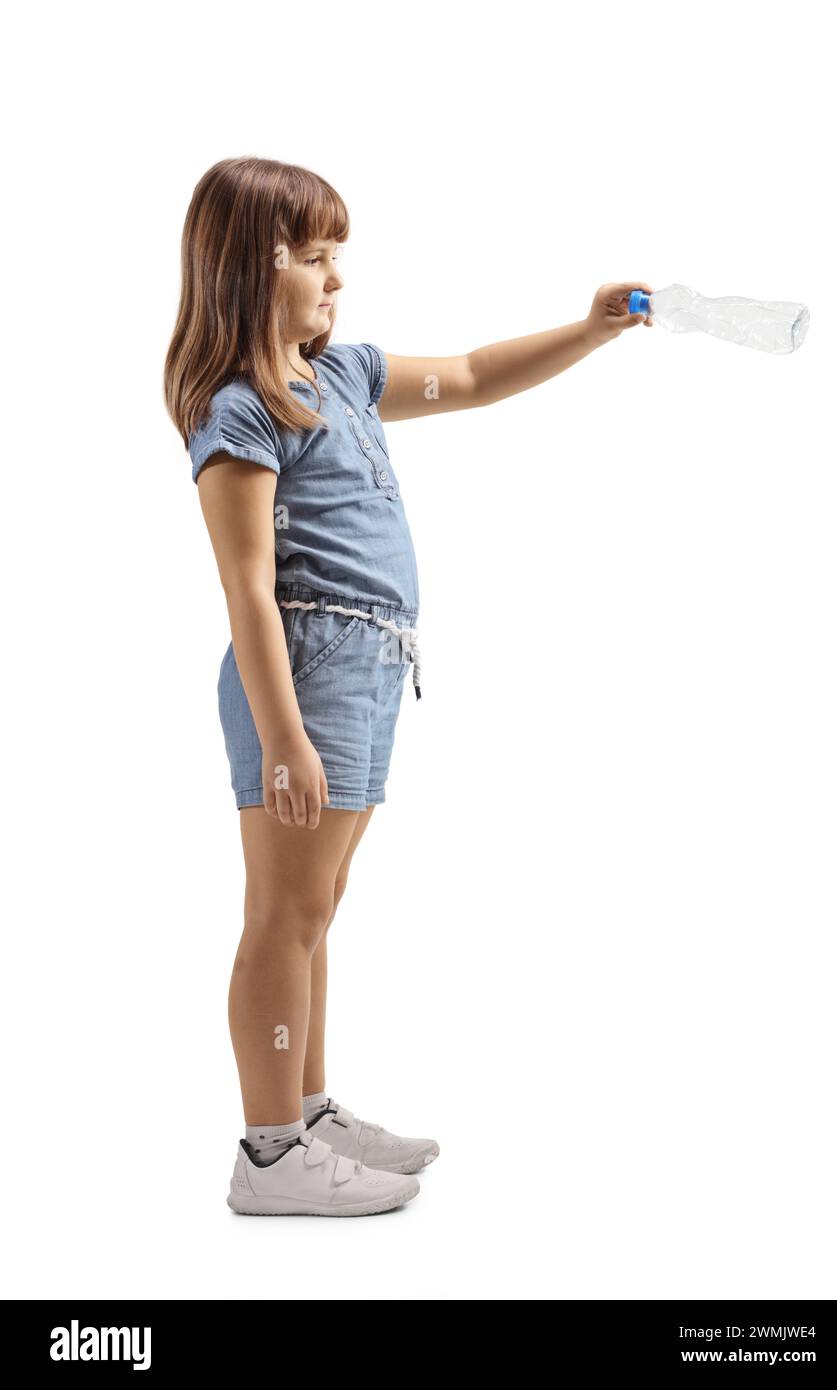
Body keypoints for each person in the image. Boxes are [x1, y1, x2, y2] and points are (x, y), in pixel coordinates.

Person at [163, 155, 653, 1217]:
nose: (338, 279)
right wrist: (283, 734)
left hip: (373, 663)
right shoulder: (240, 411)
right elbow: (247, 589)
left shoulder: (343, 375)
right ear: (251, 269)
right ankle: (269, 1153)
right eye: (315, 257)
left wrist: (589, 329)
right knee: (283, 915)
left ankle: (308, 1105)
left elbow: (473, 375)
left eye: (340, 256)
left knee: (315, 908)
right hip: (305, 666)